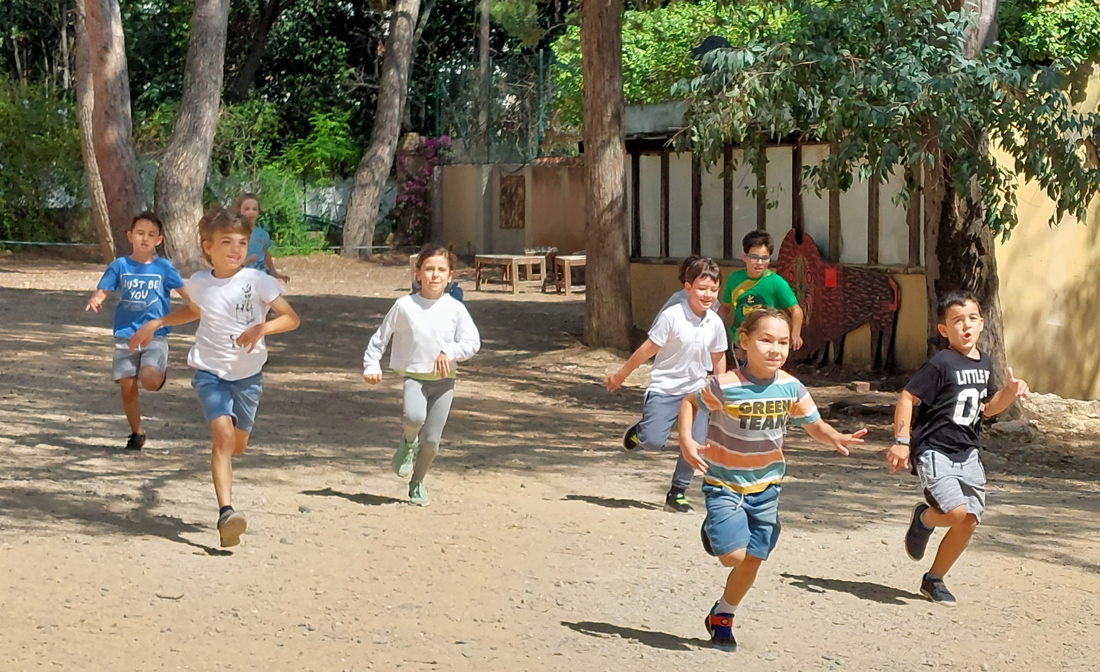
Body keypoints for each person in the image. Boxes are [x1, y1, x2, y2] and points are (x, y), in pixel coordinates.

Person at [678, 308, 866, 651]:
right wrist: (687, 441)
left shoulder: (791, 388)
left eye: (782, 342)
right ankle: (715, 530)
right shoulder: (726, 385)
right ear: (745, 341)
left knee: (753, 559)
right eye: (766, 340)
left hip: (766, 490)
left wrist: (834, 436)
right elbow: (690, 403)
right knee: (734, 555)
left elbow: (814, 425)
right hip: (725, 484)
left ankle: (722, 616)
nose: (775, 349)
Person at [131, 207, 300, 548]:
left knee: (238, 445)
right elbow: (193, 311)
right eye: (226, 242)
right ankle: (226, 513)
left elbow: (291, 318)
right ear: (208, 247)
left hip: (249, 377)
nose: (235, 249)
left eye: (241, 242)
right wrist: (156, 323)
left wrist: (262, 327)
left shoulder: (258, 281)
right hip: (210, 372)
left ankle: (230, 464)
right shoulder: (200, 283)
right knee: (222, 437)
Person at [887, 291, 1029, 606]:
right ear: (943, 330)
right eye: (957, 321)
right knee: (954, 512)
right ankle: (924, 519)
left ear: (982, 323)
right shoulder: (941, 363)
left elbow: (989, 408)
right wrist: (901, 442)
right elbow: (907, 398)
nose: (966, 326)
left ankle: (934, 580)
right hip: (934, 451)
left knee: (969, 520)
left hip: (967, 453)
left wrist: (1009, 391)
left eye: (972, 319)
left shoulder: (985, 362)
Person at [363, 243, 481, 507]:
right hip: (415, 376)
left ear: (450, 276)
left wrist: (449, 352)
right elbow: (381, 338)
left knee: (432, 441)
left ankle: (417, 482)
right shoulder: (404, 306)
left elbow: (472, 342)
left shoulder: (456, 309)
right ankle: (407, 442)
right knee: (413, 416)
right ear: (418, 274)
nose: (434, 275)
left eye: (441, 270)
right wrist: (372, 364)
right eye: (429, 269)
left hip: (444, 382)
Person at [608, 257, 728, 514]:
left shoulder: (715, 323)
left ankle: (677, 493)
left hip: (695, 391)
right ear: (687, 288)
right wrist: (621, 375)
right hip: (664, 388)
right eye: (701, 288)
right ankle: (640, 431)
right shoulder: (672, 316)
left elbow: (719, 357)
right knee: (653, 441)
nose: (707, 295)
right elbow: (647, 349)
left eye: (713, 290)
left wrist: (722, 392)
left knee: (695, 445)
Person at [86, 211, 188, 451]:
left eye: (151, 234)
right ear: (130, 236)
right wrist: (96, 299)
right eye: (140, 233)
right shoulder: (120, 265)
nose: (145, 238)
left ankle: (158, 371)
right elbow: (104, 289)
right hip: (126, 335)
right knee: (127, 388)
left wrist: (201, 304)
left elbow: (187, 294)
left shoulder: (164, 267)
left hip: (155, 336)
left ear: (159, 240)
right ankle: (136, 432)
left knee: (149, 380)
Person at [718, 231, 804, 364]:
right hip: (741, 340)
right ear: (744, 256)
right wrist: (714, 328)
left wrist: (795, 333)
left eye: (764, 258)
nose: (759, 262)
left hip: (767, 341)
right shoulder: (734, 280)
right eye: (754, 257)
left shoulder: (776, 282)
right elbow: (725, 307)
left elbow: (796, 310)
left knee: (764, 376)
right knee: (745, 376)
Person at [236, 193, 290, 283]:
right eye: (246, 209)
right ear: (239, 210)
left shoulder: (262, 234)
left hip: (259, 272)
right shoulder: (234, 233)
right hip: (240, 271)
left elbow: (265, 254)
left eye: (254, 209)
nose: (251, 212)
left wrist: (274, 273)